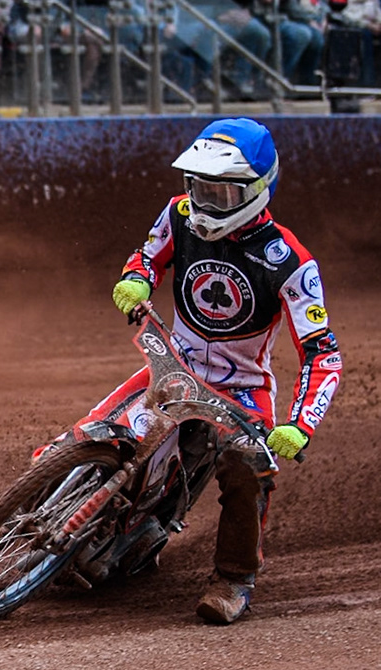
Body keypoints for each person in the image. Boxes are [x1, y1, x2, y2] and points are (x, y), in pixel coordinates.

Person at [80, 119, 340, 624]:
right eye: (199, 185)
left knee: (249, 465)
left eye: (221, 190)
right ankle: (70, 517)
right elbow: (147, 255)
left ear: (257, 190)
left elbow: (322, 353)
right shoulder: (179, 214)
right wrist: (136, 278)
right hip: (173, 362)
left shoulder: (289, 261)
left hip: (240, 388)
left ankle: (234, 579)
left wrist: (300, 424)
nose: (206, 199)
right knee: (95, 433)